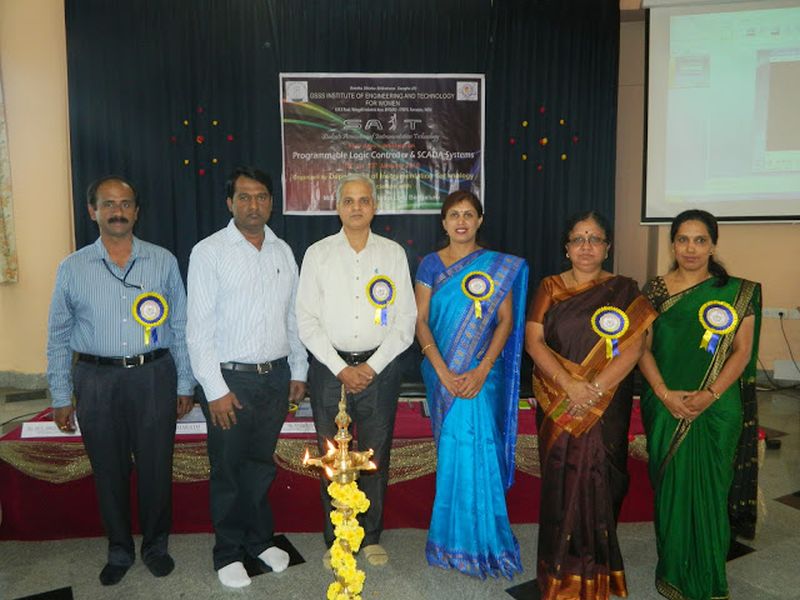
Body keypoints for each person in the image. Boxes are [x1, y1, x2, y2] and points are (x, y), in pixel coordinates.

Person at [46, 175, 194, 586]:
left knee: (155, 468)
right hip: (96, 380)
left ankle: (156, 546)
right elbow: (58, 335)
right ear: (92, 211)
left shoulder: (162, 261)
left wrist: (185, 383)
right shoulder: (72, 268)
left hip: (154, 376)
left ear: (136, 211)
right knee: (108, 469)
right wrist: (61, 394)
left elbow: (180, 326)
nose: (117, 211)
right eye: (108, 204)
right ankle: (119, 549)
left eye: (125, 203)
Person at [186, 166, 308, 588]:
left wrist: (299, 368)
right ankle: (227, 552)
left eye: (261, 197)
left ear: (271, 202)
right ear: (230, 203)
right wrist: (214, 390)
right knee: (229, 470)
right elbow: (197, 330)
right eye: (244, 197)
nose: (253, 205)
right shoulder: (209, 252)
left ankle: (259, 541)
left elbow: (293, 317)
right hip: (229, 382)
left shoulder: (282, 251)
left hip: (275, 378)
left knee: (260, 467)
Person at [525, 210, 656, 599]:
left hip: (607, 403)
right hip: (558, 400)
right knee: (560, 483)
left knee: (604, 480)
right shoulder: (549, 287)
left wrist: (593, 390)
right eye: (578, 239)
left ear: (607, 247)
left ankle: (597, 570)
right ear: (567, 248)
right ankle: (559, 573)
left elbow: (635, 347)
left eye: (594, 239)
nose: (586, 246)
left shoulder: (624, 290)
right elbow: (533, 341)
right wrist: (569, 385)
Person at [638, 209, 761, 600]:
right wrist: (663, 393)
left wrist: (710, 394)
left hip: (718, 405)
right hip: (666, 403)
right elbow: (641, 347)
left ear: (713, 245)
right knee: (672, 490)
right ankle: (673, 572)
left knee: (711, 492)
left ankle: (708, 578)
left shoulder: (739, 292)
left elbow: (741, 351)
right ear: (673, 244)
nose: (691, 248)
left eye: (700, 240)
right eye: (683, 240)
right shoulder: (655, 290)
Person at [295, 174, 416, 567]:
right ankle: (338, 538)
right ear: (337, 207)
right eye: (349, 200)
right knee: (333, 459)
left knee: (374, 454)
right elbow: (306, 320)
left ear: (374, 207)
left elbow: (406, 321)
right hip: (330, 371)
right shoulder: (318, 254)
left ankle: (371, 536)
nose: (356, 207)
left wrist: (371, 366)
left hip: (380, 369)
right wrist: (340, 368)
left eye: (364, 200)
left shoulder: (393, 253)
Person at [414, 190, 527, 580]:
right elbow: (420, 320)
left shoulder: (498, 266)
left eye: (468, 214)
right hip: (441, 371)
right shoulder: (430, 265)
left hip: (483, 373)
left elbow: (506, 321)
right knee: (453, 451)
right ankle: (450, 541)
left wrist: (482, 369)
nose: (461, 221)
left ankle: (485, 542)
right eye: (454, 215)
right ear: (444, 223)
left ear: (480, 220)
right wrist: (443, 371)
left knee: (480, 449)